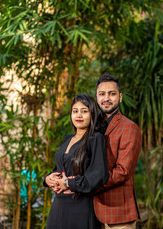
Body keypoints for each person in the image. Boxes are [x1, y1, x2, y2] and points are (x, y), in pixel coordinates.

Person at [44, 93, 109, 229]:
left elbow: (99, 176)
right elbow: (60, 169)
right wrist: (49, 179)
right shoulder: (68, 138)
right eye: (75, 111)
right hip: (59, 205)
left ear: (92, 114)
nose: (78, 115)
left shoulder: (95, 139)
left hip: (80, 206)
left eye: (84, 111)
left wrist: (69, 183)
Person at [93, 74, 142, 229]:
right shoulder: (91, 126)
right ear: (97, 97)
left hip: (118, 213)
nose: (106, 98)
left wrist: (87, 185)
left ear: (120, 97)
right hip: (89, 211)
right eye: (102, 94)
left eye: (111, 94)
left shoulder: (129, 127)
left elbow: (122, 172)